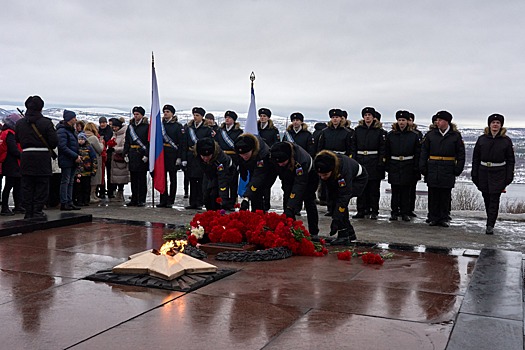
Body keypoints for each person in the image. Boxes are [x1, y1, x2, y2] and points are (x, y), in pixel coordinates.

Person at [15, 96, 58, 219]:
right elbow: (54, 142)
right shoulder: (46, 122)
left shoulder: (19, 123)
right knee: (42, 185)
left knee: (27, 185)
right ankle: (38, 211)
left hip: (26, 156)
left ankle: (28, 211)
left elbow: (17, 139)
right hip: (42, 157)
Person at [420, 110, 465, 227]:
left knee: (445, 194)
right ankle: (433, 217)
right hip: (433, 167)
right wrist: (423, 167)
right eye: (437, 120)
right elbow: (424, 152)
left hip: (448, 167)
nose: (437, 122)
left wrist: (458, 168)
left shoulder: (455, 136)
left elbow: (461, 154)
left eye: (440, 120)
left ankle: (444, 217)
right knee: (433, 193)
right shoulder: (430, 135)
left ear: (446, 122)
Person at [471, 114, 515, 234]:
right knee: (487, 198)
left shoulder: (506, 141)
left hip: (499, 173)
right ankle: (490, 219)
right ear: (489, 124)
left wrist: (509, 176)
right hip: (483, 172)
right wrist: (474, 174)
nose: (495, 125)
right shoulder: (482, 139)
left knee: (495, 199)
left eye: (498, 123)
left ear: (501, 125)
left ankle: (490, 224)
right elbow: (476, 157)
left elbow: (511, 160)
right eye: (493, 122)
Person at [314, 150, 368, 245]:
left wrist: (336, 219)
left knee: (339, 205)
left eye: (325, 175)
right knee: (334, 203)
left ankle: (343, 235)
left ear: (332, 170)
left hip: (358, 180)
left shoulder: (343, 171)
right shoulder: (323, 162)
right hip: (341, 179)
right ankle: (350, 233)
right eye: (320, 175)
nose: (322, 177)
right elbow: (329, 190)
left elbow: (344, 197)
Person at [270, 141, 320, 240]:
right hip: (288, 175)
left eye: (282, 162)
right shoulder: (275, 156)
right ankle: (290, 230)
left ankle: (314, 232)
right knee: (287, 199)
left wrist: (291, 205)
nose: (280, 164)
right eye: (278, 163)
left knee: (309, 201)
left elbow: (299, 185)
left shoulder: (301, 161)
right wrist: (289, 207)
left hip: (309, 177)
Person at [385, 110, 421, 221]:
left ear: (407, 121)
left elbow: (417, 153)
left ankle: (405, 212)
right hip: (394, 164)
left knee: (406, 191)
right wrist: (387, 165)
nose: (401, 122)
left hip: (408, 165)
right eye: (399, 120)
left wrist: (416, 167)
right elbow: (387, 151)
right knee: (395, 190)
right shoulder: (391, 135)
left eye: (403, 120)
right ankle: (394, 212)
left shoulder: (414, 135)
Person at [352, 106, 386, 220]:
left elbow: (382, 148)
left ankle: (374, 210)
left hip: (374, 161)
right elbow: (354, 146)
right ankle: (361, 210)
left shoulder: (379, 131)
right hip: (361, 160)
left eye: (369, 115)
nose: (367, 117)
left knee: (373, 189)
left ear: (373, 117)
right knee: (361, 188)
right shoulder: (358, 130)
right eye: (365, 115)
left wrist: (381, 162)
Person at [234, 133, 277, 212]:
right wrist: (242, 170)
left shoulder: (263, 154)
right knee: (253, 193)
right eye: (241, 155)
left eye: (246, 154)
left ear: (252, 150)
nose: (244, 157)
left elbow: (257, 178)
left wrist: (246, 198)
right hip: (253, 168)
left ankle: (261, 212)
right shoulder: (239, 144)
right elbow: (239, 159)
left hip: (267, 171)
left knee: (259, 191)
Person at [183, 107, 213, 209]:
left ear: (202, 117)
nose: (195, 117)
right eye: (194, 115)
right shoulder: (189, 129)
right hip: (191, 156)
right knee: (191, 179)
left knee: (200, 180)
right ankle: (192, 202)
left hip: (201, 157)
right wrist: (183, 158)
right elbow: (184, 144)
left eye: (197, 115)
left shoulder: (207, 130)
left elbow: (209, 144)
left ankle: (200, 202)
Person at [196, 137, 236, 211]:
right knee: (206, 195)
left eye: (208, 156)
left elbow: (222, 181)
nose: (205, 158)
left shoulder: (220, 159)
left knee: (214, 195)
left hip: (226, 172)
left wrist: (222, 200)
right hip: (209, 173)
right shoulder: (198, 155)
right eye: (203, 156)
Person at [157, 104, 184, 208]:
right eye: (164, 112)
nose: (166, 113)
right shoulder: (160, 125)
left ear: (172, 113)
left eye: (168, 112)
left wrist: (179, 157)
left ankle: (170, 200)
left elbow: (181, 143)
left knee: (173, 178)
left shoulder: (178, 126)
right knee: (162, 177)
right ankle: (163, 199)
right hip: (162, 154)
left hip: (173, 154)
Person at [214, 110, 243, 208]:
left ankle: (232, 202)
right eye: (226, 117)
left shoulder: (239, 132)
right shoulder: (220, 131)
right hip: (222, 158)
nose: (227, 119)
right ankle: (222, 201)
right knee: (222, 180)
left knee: (233, 182)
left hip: (234, 158)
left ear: (234, 120)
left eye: (229, 118)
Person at [57, 109, 82, 211]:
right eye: (74, 118)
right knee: (66, 181)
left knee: (70, 181)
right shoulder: (62, 131)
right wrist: (75, 156)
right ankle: (64, 202)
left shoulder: (71, 130)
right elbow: (62, 146)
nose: (75, 120)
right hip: (67, 159)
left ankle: (69, 201)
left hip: (72, 159)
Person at [124, 106, 149, 207]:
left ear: (142, 115)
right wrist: (125, 153)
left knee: (142, 178)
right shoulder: (130, 126)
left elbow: (149, 142)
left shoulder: (147, 126)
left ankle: (141, 199)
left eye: (137, 114)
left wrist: (147, 154)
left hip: (142, 154)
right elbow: (127, 141)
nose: (135, 116)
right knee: (133, 178)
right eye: (134, 114)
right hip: (132, 153)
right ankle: (134, 198)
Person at [0, 113, 24, 215]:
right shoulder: (10, 133)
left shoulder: (5, 132)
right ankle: (5, 208)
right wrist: (23, 156)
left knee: (16, 184)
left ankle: (17, 206)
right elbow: (13, 149)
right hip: (11, 163)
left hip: (10, 162)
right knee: (10, 185)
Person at [257, 107, 280, 211]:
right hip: (256, 158)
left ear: (268, 118)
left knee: (266, 184)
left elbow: (276, 144)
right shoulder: (255, 128)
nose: (262, 118)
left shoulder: (273, 130)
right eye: (261, 116)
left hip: (268, 159)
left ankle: (266, 204)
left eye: (264, 116)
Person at [107, 118, 129, 202]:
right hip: (114, 159)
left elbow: (124, 147)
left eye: (116, 127)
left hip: (120, 158)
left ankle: (120, 192)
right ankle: (116, 192)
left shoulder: (123, 135)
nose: (114, 128)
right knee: (115, 177)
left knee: (121, 177)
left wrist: (115, 149)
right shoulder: (115, 134)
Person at [74, 132, 98, 206]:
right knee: (79, 188)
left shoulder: (89, 148)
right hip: (78, 172)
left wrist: (94, 170)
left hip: (87, 171)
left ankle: (86, 200)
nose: (80, 141)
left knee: (86, 187)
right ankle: (79, 200)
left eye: (82, 139)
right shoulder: (76, 148)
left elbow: (94, 159)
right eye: (79, 139)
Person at [407, 112, 423, 217]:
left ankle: (409, 209)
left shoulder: (417, 134)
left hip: (412, 165)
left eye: (409, 120)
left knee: (411, 189)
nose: (408, 122)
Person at [83, 122, 103, 204]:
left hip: (86, 160)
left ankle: (93, 195)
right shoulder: (93, 138)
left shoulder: (83, 136)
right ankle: (92, 195)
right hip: (95, 159)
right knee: (95, 178)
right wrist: (101, 143)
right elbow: (100, 149)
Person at [98, 116, 114, 199]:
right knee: (101, 174)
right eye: (101, 123)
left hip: (109, 154)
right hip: (101, 154)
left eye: (103, 123)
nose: (102, 124)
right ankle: (102, 191)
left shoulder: (109, 130)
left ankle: (110, 191)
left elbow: (108, 139)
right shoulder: (98, 130)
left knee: (109, 173)